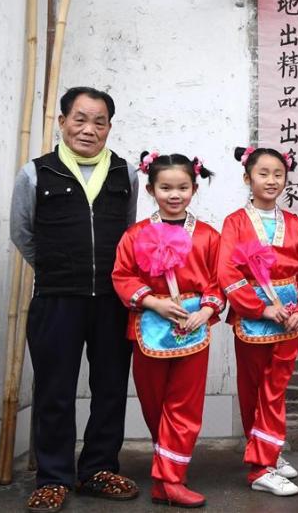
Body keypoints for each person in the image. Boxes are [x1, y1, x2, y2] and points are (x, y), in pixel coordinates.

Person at [10, 87, 139, 512]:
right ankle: (53, 477)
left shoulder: (125, 173)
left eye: (99, 122)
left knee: (110, 387)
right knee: (55, 390)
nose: (88, 129)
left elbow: (129, 231)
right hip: (56, 298)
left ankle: (99, 468)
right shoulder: (35, 173)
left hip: (112, 299)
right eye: (80, 119)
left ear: (109, 127)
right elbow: (23, 233)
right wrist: (57, 267)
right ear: (62, 122)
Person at [112, 152, 223, 508]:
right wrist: (153, 302)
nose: (175, 195)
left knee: (185, 405)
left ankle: (171, 481)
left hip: (193, 329)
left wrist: (206, 310)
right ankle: (166, 476)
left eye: (183, 187)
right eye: (165, 188)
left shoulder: (208, 236)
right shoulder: (135, 235)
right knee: (154, 404)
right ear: (150, 189)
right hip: (149, 326)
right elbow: (122, 276)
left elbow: (219, 279)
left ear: (194, 189)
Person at [218, 147, 298, 497]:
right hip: (253, 318)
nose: (272, 180)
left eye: (278, 174)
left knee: (275, 389)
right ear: (247, 178)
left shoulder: (293, 223)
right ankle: (261, 465)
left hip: (288, 317)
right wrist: (260, 309)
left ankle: (267, 454)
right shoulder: (235, 222)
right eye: (263, 173)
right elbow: (227, 272)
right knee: (254, 391)